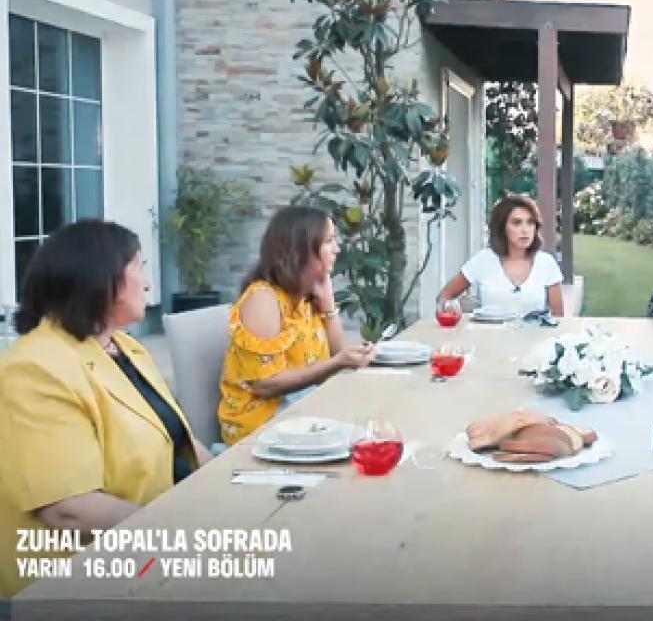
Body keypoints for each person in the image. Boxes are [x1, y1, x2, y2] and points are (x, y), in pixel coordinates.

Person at [0, 220, 211, 599]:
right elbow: (69, 510)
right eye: (139, 267)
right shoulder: (35, 370)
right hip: (80, 580)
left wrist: (233, 483)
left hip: (150, 546)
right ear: (102, 280)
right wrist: (182, 541)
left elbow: (177, 440)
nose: (148, 283)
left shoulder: (124, 348)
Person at [218, 206, 376, 445]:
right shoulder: (264, 299)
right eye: (329, 241)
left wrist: (328, 305)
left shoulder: (305, 296)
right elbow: (265, 385)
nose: (337, 249)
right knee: (365, 435)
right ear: (301, 250)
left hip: (302, 410)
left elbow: (338, 352)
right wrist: (337, 362)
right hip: (262, 425)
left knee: (374, 417)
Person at [438, 195, 565, 316]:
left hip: (535, 331)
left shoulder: (546, 263)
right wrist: (453, 313)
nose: (525, 230)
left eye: (530, 223)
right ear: (502, 227)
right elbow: (444, 296)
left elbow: (558, 317)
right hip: (489, 331)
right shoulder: (483, 260)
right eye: (517, 223)